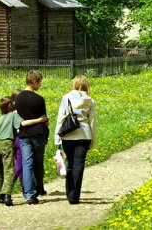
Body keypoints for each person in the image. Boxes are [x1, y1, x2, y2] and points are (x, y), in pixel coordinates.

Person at [0, 96, 47, 206]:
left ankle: (0, 195)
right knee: (9, 171)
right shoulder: (13, 115)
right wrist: (40, 120)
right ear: (10, 106)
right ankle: (7, 195)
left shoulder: (0, 118)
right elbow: (23, 123)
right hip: (6, 143)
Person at [54, 74, 97, 205]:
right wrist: (92, 139)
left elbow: (61, 117)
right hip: (84, 134)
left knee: (70, 165)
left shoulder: (66, 98)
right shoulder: (90, 100)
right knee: (79, 165)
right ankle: (75, 196)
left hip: (68, 134)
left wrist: (57, 137)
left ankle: (69, 192)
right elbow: (93, 121)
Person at [15, 70, 49, 204]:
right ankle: (39, 188)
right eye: (40, 82)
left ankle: (29, 193)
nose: (40, 85)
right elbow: (44, 119)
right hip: (38, 134)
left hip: (24, 134)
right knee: (38, 163)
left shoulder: (18, 98)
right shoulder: (39, 99)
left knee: (27, 163)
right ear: (35, 82)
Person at [11, 88, 24, 190]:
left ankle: (23, 185)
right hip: (19, 139)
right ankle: (7, 187)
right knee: (19, 165)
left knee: (19, 164)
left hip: (13, 139)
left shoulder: (10, 112)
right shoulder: (19, 112)